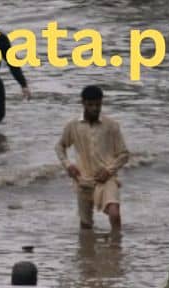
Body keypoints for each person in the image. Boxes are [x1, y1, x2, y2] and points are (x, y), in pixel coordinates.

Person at [56, 86, 130, 232]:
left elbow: (124, 154)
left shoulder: (111, 126)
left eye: (98, 105)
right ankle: (86, 250)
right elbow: (60, 147)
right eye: (91, 105)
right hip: (82, 179)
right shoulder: (73, 126)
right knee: (85, 224)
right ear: (83, 103)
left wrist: (109, 171)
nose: (95, 108)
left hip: (106, 179)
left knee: (114, 213)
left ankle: (116, 246)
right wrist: (68, 165)